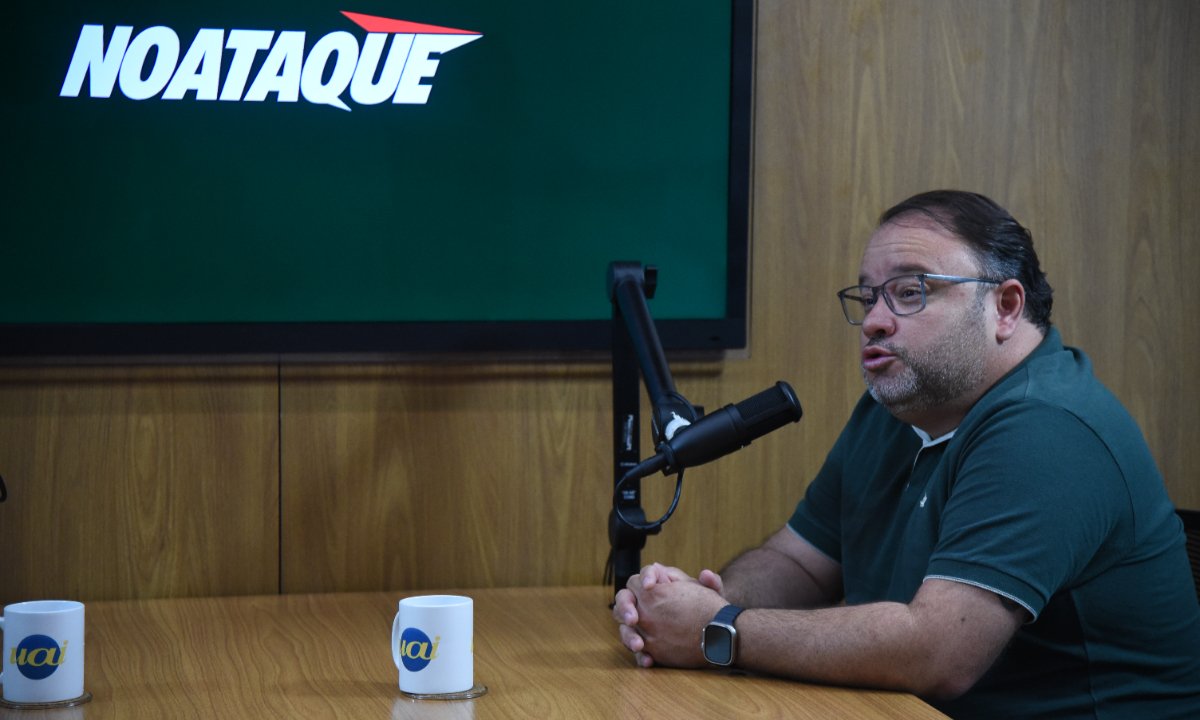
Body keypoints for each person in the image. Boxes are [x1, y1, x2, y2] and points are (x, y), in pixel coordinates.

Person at [612, 190, 1200, 719]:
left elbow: (938, 653)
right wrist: (709, 600)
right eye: (869, 297)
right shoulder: (899, 407)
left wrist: (719, 631)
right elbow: (800, 564)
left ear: (1005, 306)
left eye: (910, 292)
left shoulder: (1046, 427)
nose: (874, 322)